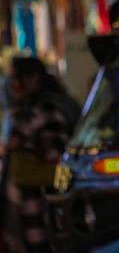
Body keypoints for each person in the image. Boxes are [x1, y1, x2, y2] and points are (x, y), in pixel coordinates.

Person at [0, 57, 81, 253]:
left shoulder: (47, 109)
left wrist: (20, 147)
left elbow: (60, 160)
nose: (12, 84)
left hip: (39, 215)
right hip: (28, 214)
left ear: (33, 78)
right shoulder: (31, 108)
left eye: (16, 78)